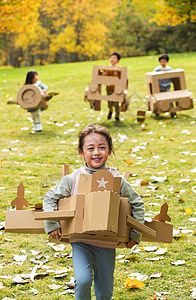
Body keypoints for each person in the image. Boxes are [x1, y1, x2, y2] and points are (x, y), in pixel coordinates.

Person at [43, 123, 145, 300]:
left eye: (102, 147)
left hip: (107, 243)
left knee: (104, 292)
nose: (96, 152)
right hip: (80, 241)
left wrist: (135, 234)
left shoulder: (116, 179)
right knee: (82, 280)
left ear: (110, 150)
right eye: (90, 148)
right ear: (81, 152)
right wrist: (52, 224)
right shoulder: (72, 179)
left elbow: (137, 203)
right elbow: (50, 198)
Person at [102, 51, 122, 121]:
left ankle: (117, 116)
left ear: (118, 60)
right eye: (111, 58)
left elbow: (121, 78)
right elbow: (104, 77)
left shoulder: (119, 68)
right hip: (109, 89)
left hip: (117, 89)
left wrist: (117, 71)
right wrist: (104, 71)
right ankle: (110, 110)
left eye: (114, 58)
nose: (112, 59)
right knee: (109, 103)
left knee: (116, 103)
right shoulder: (107, 68)